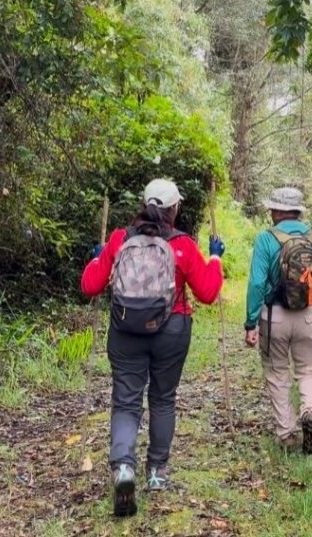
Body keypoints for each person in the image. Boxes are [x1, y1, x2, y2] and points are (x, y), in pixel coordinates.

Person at [81, 178, 225, 517]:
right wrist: (216, 259)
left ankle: (123, 469)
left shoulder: (120, 239)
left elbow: (89, 285)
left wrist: (99, 257)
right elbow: (207, 292)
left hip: (125, 329)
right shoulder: (183, 245)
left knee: (126, 401)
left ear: (143, 204)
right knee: (163, 398)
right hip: (172, 330)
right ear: (174, 210)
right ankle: (157, 473)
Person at [244, 187, 312, 454]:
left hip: (274, 317)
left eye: (272, 208)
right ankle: (309, 410)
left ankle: (286, 434)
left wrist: (250, 322)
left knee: (277, 374)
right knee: (309, 370)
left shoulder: (265, 239)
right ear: (298, 212)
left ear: (278, 211)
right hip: (308, 314)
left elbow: (257, 283)